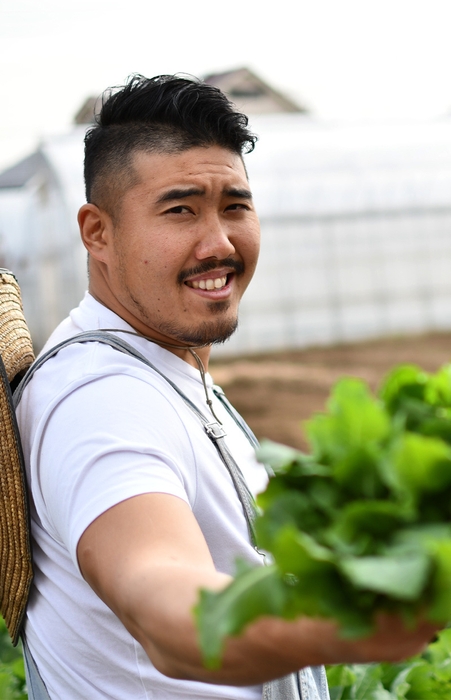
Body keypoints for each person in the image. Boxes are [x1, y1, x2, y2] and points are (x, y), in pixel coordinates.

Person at [15, 74, 437, 699]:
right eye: (180, 209)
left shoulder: (165, 365)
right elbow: (163, 597)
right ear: (97, 232)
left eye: (235, 206)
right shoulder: (99, 400)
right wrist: (357, 619)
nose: (219, 244)